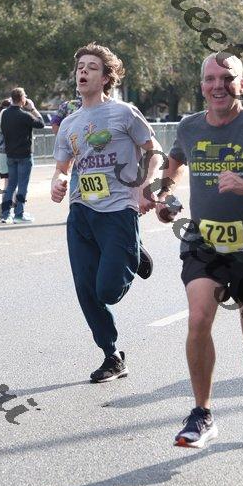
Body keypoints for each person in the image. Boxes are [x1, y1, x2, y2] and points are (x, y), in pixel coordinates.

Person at [156, 51, 243, 447]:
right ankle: (201, 413)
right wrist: (165, 195)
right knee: (199, 318)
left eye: (227, 78)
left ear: (242, 84)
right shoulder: (189, 126)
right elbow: (174, 162)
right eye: (210, 79)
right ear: (202, 85)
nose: (218, 85)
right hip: (204, 244)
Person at [51, 43, 162, 382]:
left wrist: (147, 185)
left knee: (108, 291)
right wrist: (58, 181)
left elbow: (154, 151)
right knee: (87, 291)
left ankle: (132, 251)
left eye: (92, 67)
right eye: (80, 67)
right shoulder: (69, 123)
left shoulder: (124, 113)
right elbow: (62, 168)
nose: (83, 71)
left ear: (106, 78)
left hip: (118, 210)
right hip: (81, 211)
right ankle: (111, 355)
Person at [0, 87, 44, 224]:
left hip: (10, 155)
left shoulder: (5, 114)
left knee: (10, 185)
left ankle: (5, 214)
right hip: (24, 155)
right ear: (22, 99)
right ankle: (19, 214)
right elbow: (41, 123)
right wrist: (33, 109)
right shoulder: (25, 115)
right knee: (23, 185)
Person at [51, 95, 82, 195]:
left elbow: (54, 123)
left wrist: (63, 140)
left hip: (73, 145)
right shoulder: (97, 104)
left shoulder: (66, 105)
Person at [0, 98, 11, 191]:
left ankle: (8, 198)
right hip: (8, 154)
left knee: (7, 181)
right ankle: (11, 198)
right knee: (10, 182)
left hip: (0, 154)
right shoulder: (7, 121)